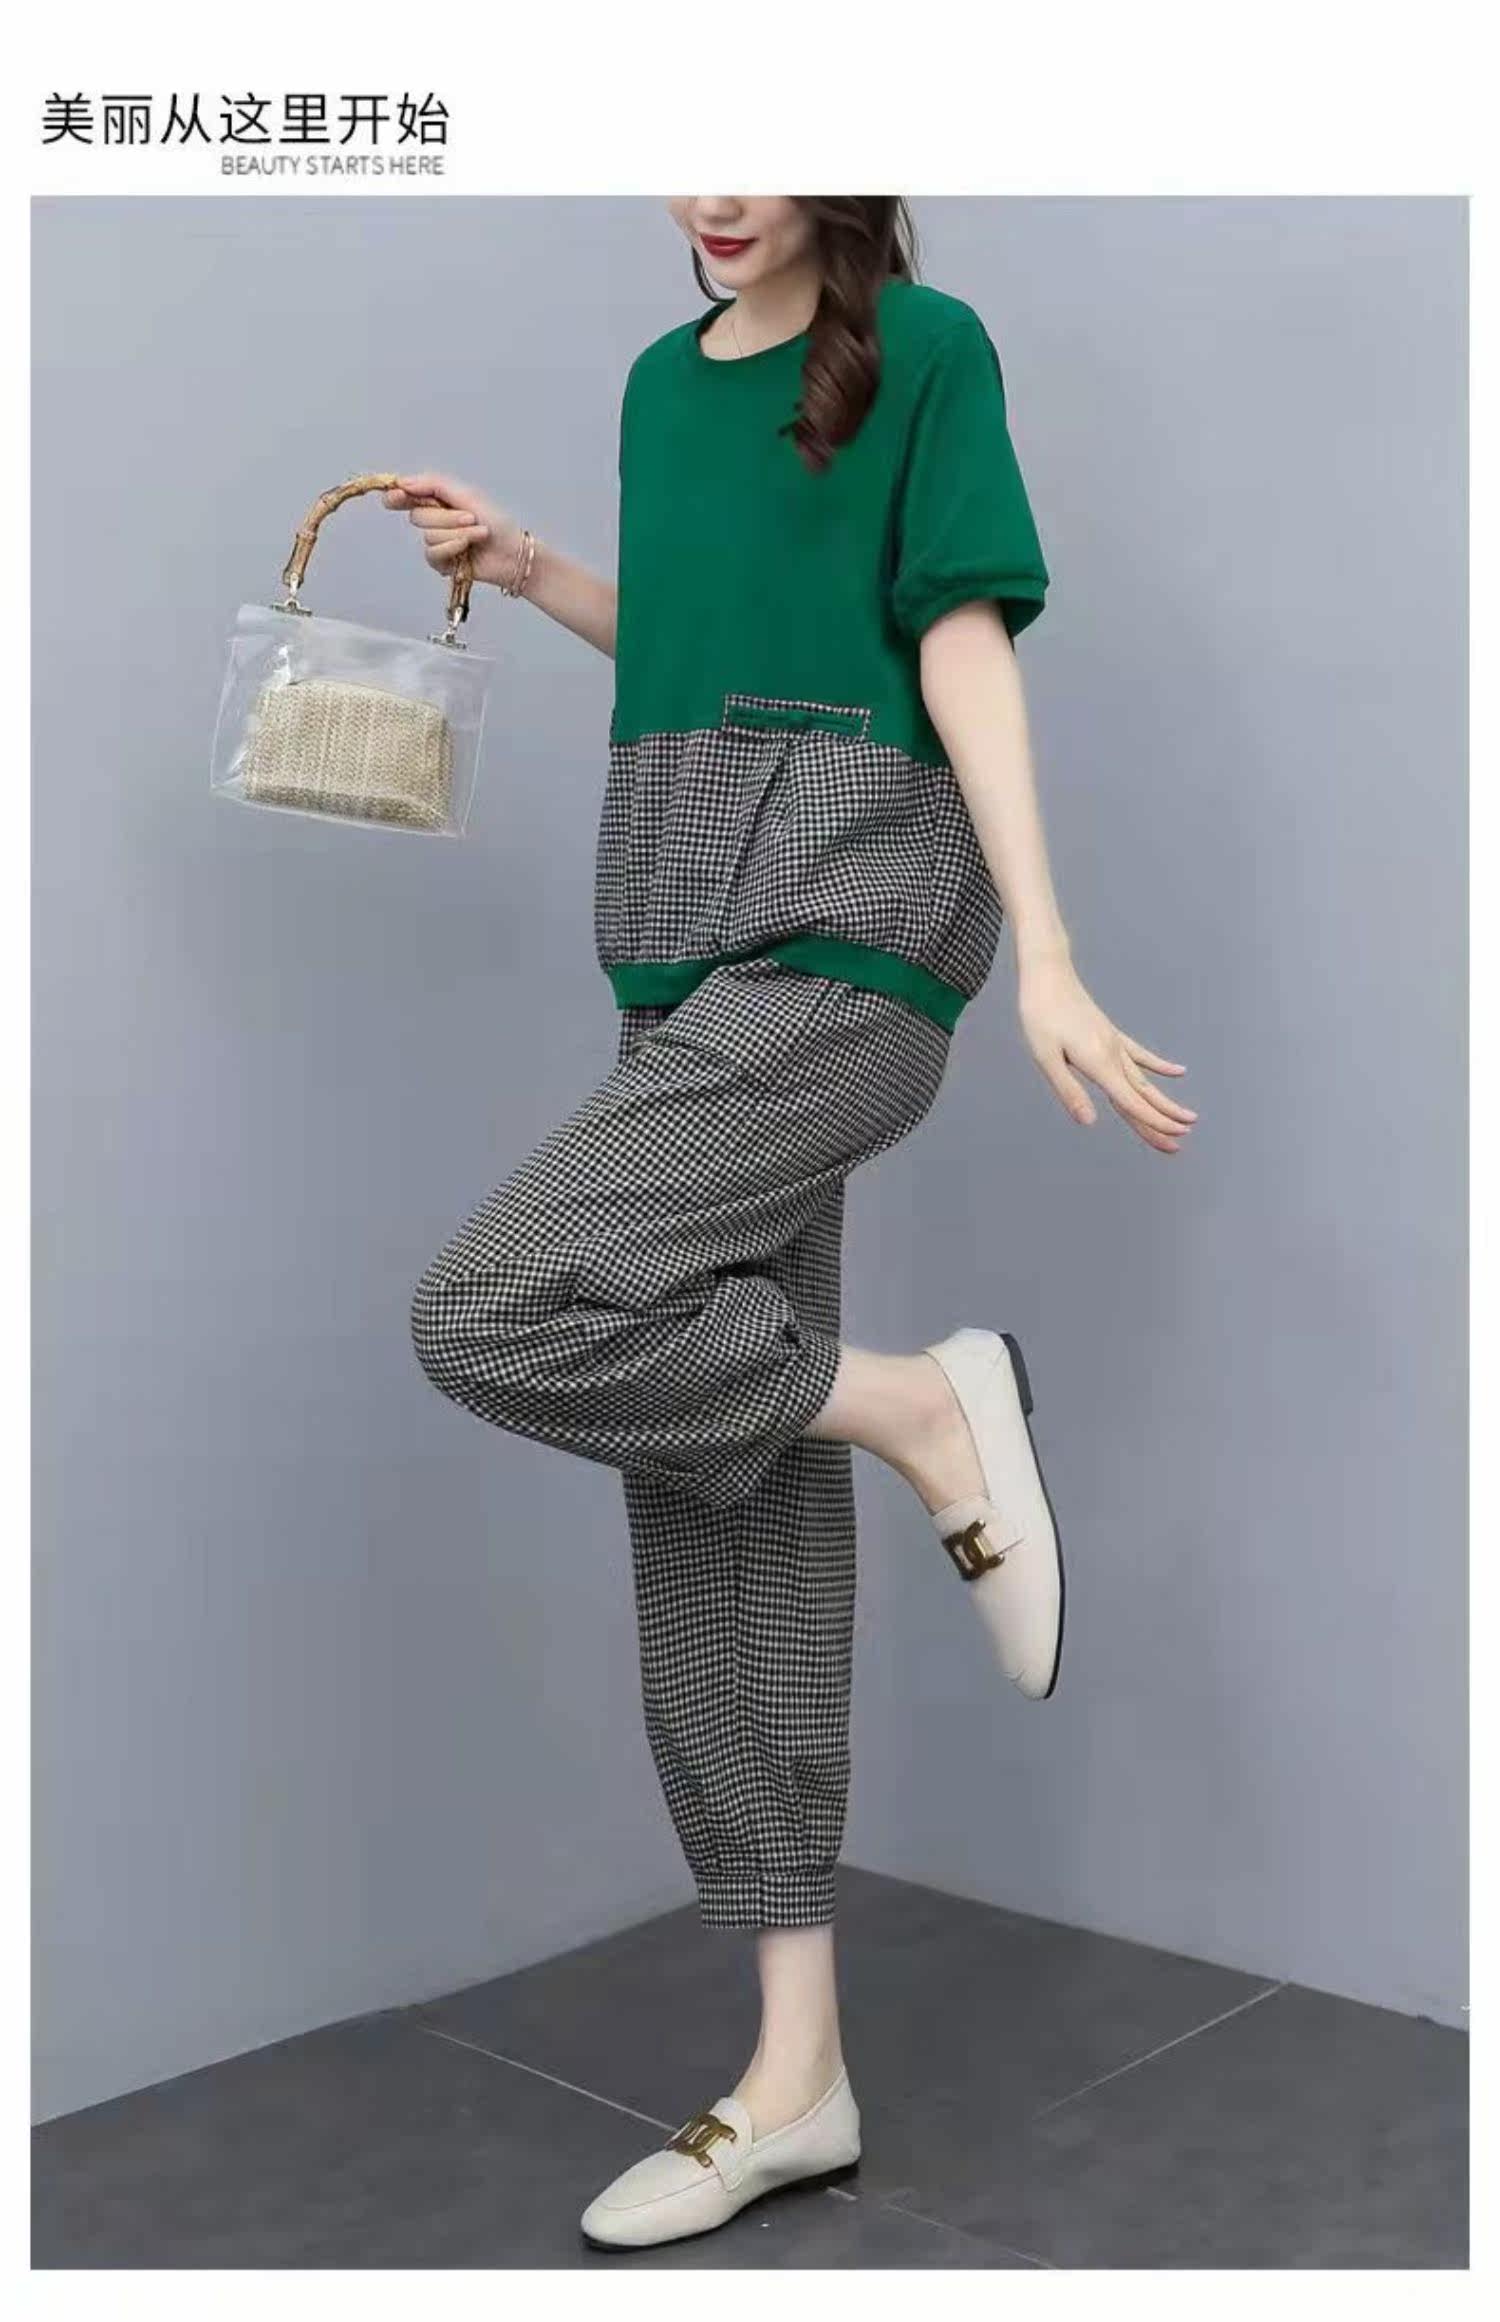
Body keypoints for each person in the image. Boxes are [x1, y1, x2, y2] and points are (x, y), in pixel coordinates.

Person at [394, 195, 1194, 2251]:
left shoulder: (927, 347)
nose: (715, 189)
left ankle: (928, 1407)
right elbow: (710, 639)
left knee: (498, 1299)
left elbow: (957, 639)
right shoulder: (661, 389)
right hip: (679, 940)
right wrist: (538, 573)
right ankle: (796, 2078)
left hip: (855, 915)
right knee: (719, 1496)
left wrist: (1047, 950)